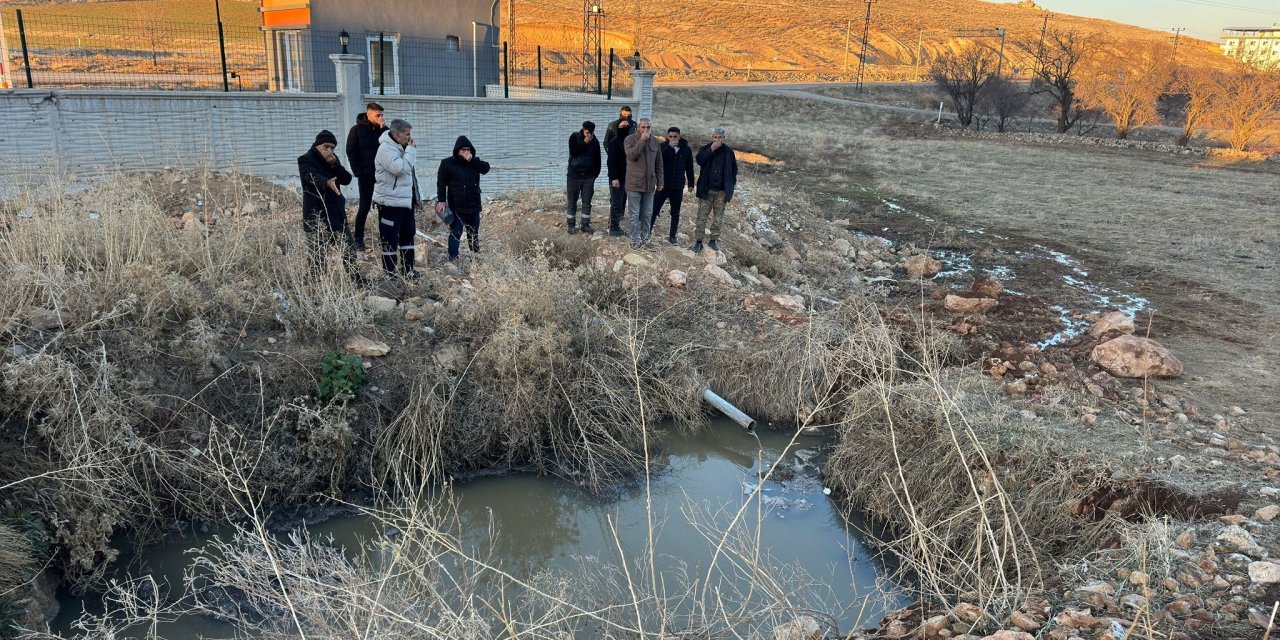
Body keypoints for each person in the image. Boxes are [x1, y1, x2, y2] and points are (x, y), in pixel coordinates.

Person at [298, 130, 359, 279]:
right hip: (316, 214)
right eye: (326, 146)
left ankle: (355, 279)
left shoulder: (332, 160)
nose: (329, 150)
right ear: (318, 145)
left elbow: (346, 179)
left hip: (336, 214)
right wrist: (325, 182)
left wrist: (334, 166)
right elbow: (309, 176)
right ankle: (316, 285)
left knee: (348, 249)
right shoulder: (306, 159)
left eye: (332, 148)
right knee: (317, 256)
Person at [373, 118, 421, 278]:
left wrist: (417, 199)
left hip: (405, 202)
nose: (410, 137)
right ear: (397, 134)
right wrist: (411, 151)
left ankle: (409, 271)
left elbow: (411, 176)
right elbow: (400, 169)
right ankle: (390, 274)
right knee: (390, 239)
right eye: (407, 134)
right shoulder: (386, 149)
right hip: (390, 204)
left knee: (408, 236)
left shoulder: (403, 148)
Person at [436, 135, 491, 261]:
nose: (466, 152)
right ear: (457, 151)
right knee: (456, 233)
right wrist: (441, 200)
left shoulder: (475, 162)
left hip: (474, 206)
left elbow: (486, 169)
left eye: (468, 150)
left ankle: (475, 258)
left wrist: (472, 160)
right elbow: (441, 182)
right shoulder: (447, 163)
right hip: (457, 206)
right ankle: (453, 259)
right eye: (463, 150)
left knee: (473, 234)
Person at [345, 102, 388, 251]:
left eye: (382, 115)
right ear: (369, 114)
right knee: (364, 207)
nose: (380, 118)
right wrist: (358, 172)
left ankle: (385, 239)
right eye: (378, 115)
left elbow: (393, 145)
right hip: (366, 176)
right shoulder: (356, 130)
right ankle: (358, 239)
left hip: (383, 176)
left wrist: (384, 129)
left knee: (384, 207)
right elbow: (351, 152)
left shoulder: (384, 131)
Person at [691, 127, 738, 254]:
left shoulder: (728, 152)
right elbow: (700, 160)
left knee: (718, 218)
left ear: (724, 138)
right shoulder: (706, 148)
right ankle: (698, 242)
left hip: (721, 192)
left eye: (720, 137)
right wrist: (712, 149)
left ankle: (713, 240)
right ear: (712, 137)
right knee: (701, 217)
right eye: (715, 137)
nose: (717, 140)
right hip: (706, 190)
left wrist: (731, 185)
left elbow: (734, 170)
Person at [622, 118, 664, 248]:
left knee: (647, 214)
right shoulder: (629, 139)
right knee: (634, 214)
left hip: (649, 185)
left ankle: (645, 239)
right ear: (638, 128)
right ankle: (634, 240)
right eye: (643, 127)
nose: (646, 130)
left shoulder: (655, 142)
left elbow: (659, 163)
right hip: (634, 184)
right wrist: (642, 141)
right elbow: (631, 155)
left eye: (648, 127)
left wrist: (660, 181)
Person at [651, 126, 695, 245]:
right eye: (670, 137)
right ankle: (647, 233)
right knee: (654, 210)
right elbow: (658, 162)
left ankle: (672, 236)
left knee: (675, 212)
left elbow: (689, 167)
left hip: (677, 186)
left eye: (675, 137)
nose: (672, 139)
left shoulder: (686, 149)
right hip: (663, 185)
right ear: (667, 137)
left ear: (679, 137)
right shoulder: (663, 147)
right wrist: (669, 147)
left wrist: (691, 183)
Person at [604, 105, 637, 237]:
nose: (626, 116)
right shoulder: (613, 131)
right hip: (617, 172)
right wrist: (615, 154)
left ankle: (617, 221)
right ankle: (613, 226)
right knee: (616, 199)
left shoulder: (634, 126)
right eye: (624, 114)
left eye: (628, 114)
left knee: (623, 197)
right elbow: (610, 158)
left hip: (628, 171)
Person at [566, 120, 601, 235]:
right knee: (572, 201)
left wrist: (594, 176)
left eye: (591, 133)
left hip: (588, 177)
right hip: (573, 176)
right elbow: (574, 152)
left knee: (587, 202)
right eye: (587, 132)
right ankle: (571, 225)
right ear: (583, 129)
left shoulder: (595, 142)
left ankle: (585, 225)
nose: (589, 135)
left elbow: (598, 161)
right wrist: (584, 142)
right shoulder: (574, 137)